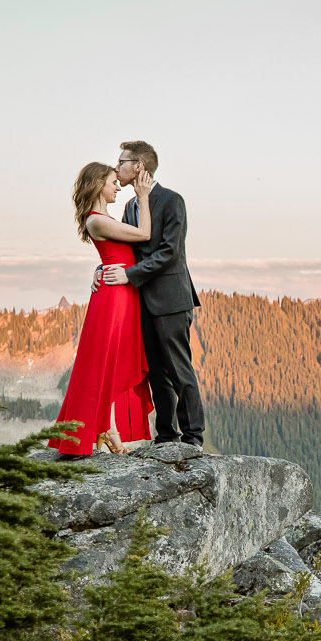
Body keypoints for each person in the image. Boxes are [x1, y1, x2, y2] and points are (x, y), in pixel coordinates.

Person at [98, 140, 205, 446]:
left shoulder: (172, 201)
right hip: (142, 301)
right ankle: (167, 435)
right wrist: (100, 270)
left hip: (172, 299)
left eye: (122, 163)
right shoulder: (132, 206)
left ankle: (193, 436)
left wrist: (130, 275)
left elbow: (170, 252)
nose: (118, 168)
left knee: (179, 369)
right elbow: (122, 248)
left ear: (139, 166)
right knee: (156, 372)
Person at [53, 162, 153, 458]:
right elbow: (144, 234)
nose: (117, 187)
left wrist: (101, 267)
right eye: (113, 182)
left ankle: (106, 427)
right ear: (98, 184)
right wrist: (144, 197)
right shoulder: (96, 219)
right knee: (106, 360)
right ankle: (106, 428)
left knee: (112, 359)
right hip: (113, 297)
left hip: (121, 291)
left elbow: (117, 254)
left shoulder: (103, 218)